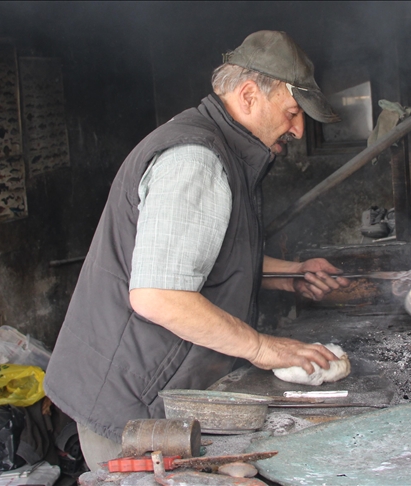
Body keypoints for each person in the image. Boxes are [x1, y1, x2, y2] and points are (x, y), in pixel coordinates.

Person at [43, 30, 351, 470]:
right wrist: (263, 348)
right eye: (292, 112)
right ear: (249, 96)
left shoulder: (223, 149)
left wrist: (292, 273)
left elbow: (204, 259)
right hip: (132, 410)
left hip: (155, 396)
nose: (299, 129)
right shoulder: (195, 158)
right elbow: (159, 296)